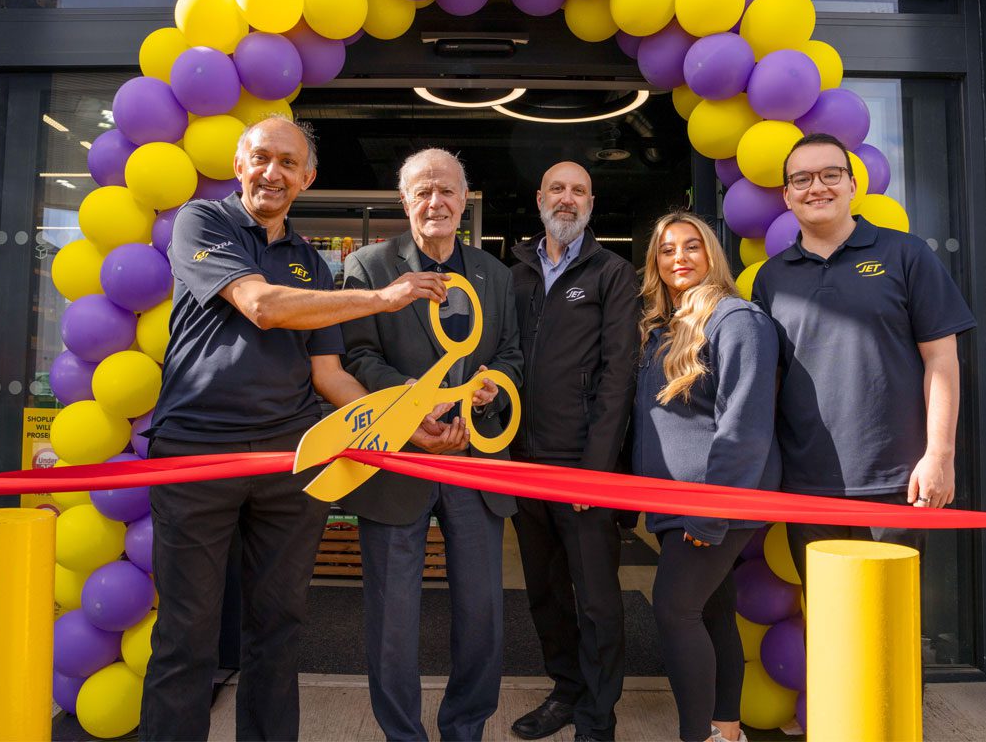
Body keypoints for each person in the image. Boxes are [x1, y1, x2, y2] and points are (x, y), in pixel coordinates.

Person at [140, 116, 456, 742]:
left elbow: (330, 375)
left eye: (288, 163)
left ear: (307, 177)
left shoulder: (312, 261)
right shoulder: (202, 223)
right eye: (261, 158)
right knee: (187, 634)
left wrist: (402, 424)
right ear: (239, 165)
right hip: (198, 455)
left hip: (290, 461)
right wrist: (381, 298)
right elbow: (261, 305)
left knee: (278, 631)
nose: (272, 173)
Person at [339, 148, 524, 742]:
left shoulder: (495, 274)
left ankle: (465, 728)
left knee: (482, 614)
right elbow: (357, 356)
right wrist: (413, 402)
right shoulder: (367, 268)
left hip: (475, 457)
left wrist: (490, 390)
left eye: (446, 191)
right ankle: (402, 735)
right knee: (393, 617)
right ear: (405, 202)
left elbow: (511, 356)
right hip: (397, 460)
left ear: (463, 199)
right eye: (422, 191)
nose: (435, 202)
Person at [751, 132, 976, 584]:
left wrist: (940, 454)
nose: (817, 187)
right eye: (802, 179)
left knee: (888, 631)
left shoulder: (906, 255)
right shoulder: (771, 278)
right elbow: (769, 385)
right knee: (829, 629)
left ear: (853, 186)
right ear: (787, 196)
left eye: (830, 174)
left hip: (896, 484)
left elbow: (942, 361)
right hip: (806, 489)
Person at [633, 211, 781, 742]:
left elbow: (743, 426)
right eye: (667, 249)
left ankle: (697, 735)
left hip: (711, 500)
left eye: (692, 246)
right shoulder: (663, 328)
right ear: (655, 263)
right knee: (711, 611)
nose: (679, 258)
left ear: (711, 254)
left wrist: (711, 510)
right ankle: (726, 729)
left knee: (674, 610)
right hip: (674, 501)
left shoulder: (737, 320)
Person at [507, 161, 640, 742]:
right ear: (540, 197)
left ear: (592, 202)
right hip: (520, 462)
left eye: (578, 190)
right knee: (544, 593)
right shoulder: (511, 271)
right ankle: (566, 692)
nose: (567, 198)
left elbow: (619, 376)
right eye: (557, 188)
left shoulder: (613, 272)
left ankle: (597, 716)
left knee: (598, 601)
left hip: (582, 466)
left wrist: (596, 470)